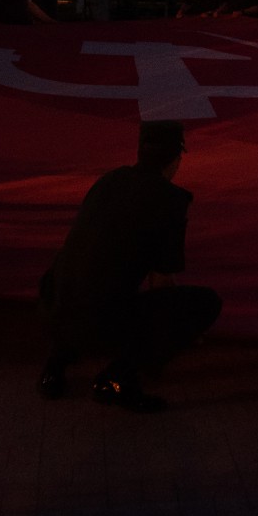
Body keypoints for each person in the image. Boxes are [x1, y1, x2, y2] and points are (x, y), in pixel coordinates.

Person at [37, 121, 220, 410]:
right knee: (205, 303)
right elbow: (161, 283)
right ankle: (118, 378)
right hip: (98, 322)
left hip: (53, 304)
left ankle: (56, 365)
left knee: (84, 284)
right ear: (176, 159)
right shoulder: (169, 200)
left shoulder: (109, 180)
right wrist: (182, 329)